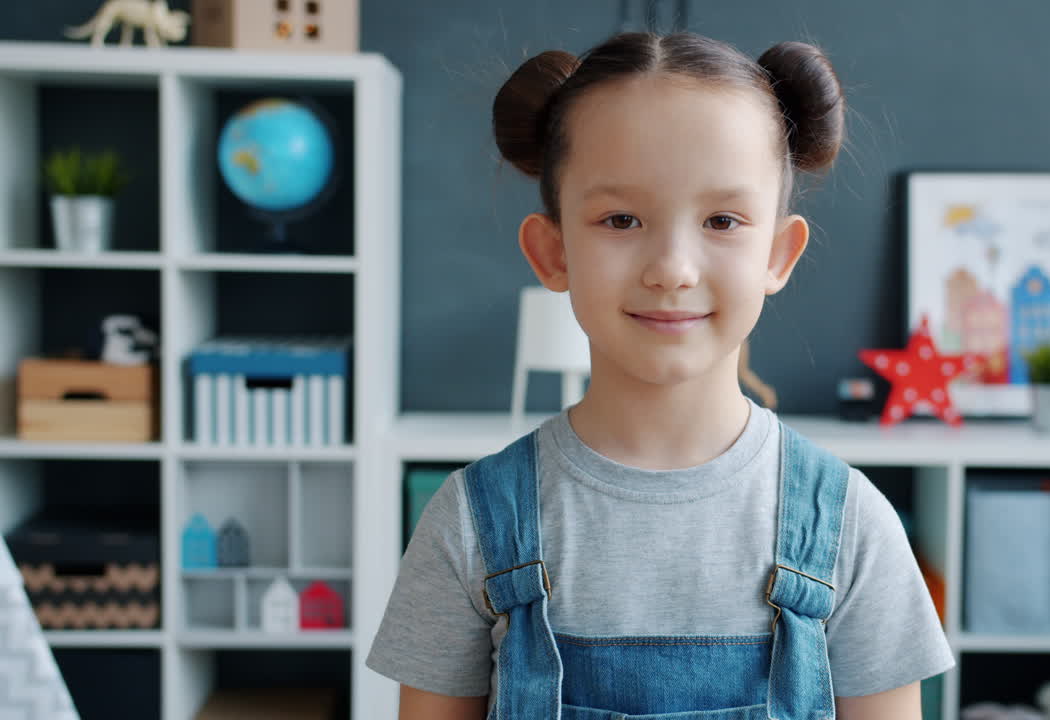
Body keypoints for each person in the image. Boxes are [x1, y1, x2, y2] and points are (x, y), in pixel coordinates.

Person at [366, 30, 955, 720]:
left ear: (778, 253)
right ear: (553, 252)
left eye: (722, 220)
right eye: (621, 218)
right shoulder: (468, 525)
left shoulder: (851, 526)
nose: (672, 267)